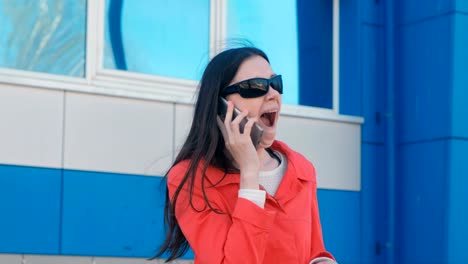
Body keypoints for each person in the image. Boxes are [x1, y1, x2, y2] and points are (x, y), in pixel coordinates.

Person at [155, 47, 337, 264]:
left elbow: (314, 251)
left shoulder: (301, 169)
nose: (272, 94)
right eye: (255, 86)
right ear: (222, 106)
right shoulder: (190, 178)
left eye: (275, 83)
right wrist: (250, 175)